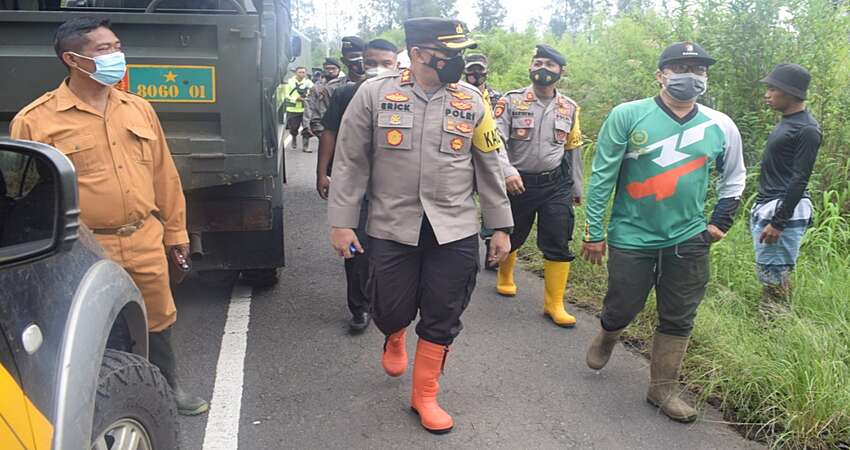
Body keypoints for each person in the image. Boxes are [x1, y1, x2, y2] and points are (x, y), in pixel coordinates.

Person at [10, 17, 208, 415]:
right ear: (73, 59)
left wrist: (176, 234)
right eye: (104, 49)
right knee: (89, 327)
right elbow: (22, 195)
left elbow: (164, 177)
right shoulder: (36, 120)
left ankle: (167, 390)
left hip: (143, 237)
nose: (117, 55)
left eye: (117, 46)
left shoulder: (138, 109)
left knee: (158, 318)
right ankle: (93, 404)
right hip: (82, 246)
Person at [327, 18, 513, 434]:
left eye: (461, 54)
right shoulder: (373, 95)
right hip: (392, 224)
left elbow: (489, 166)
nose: (457, 62)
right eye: (448, 55)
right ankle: (393, 334)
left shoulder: (472, 100)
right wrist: (342, 223)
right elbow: (351, 162)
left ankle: (425, 394)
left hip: (454, 227)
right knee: (390, 306)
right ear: (417, 54)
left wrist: (499, 227)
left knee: (444, 312)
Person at [581, 42, 746, 423]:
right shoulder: (628, 115)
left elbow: (734, 176)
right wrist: (593, 230)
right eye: (680, 66)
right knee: (624, 303)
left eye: (699, 69)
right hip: (631, 234)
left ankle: (662, 389)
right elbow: (603, 176)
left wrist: (720, 223)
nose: (691, 75)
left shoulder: (719, 124)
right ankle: (608, 333)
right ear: (660, 74)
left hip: (688, 237)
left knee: (679, 315)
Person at [492, 44, 584, 328]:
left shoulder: (569, 107)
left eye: (550, 64)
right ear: (531, 67)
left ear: (561, 72)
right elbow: (495, 142)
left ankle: (554, 303)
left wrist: (576, 188)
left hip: (555, 183)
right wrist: (507, 172)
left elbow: (573, 149)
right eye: (538, 62)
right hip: (517, 183)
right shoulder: (510, 101)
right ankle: (505, 276)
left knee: (558, 237)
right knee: (514, 235)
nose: (542, 68)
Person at [317, 38, 399, 332]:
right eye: (371, 63)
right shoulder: (347, 94)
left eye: (386, 63)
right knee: (356, 248)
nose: (378, 69)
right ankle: (360, 308)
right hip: (358, 185)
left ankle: (387, 301)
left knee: (392, 248)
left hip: (395, 188)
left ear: (398, 63)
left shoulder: (412, 97)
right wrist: (322, 172)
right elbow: (330, 133)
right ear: (361, 64)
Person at [752, 63, 821, 313]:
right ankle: (773, 323)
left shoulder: (807, 129)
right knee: (770, 271)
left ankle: (774, 325)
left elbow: (800, 178)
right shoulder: (789, 122)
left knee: (775, 275)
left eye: (773, 89)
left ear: (791, 92)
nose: (767, 94)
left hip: (783, 207)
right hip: (772, 203)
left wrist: (779, 221)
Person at [464, 53, 504, 271]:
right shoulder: (458, 94)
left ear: (486, 71)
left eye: (479, 70)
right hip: (465, 154)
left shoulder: (498, 98)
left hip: (491, 151)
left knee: (492, 197)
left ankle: (492, 245)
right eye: (471, 70)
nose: (475, 75)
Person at [306, 36, 367, 139]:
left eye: (363, 56)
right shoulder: (332, 88)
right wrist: (333, 143)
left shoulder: (379, 86)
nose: (360, 60)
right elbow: (318, 122)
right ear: (344, 61)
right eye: (354, 56)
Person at [278, 66, 314, 152]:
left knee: (306, 127)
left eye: (303, 72)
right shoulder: (290, 83)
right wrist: (296, 98)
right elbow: (286, 95)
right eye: (300, 72)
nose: (302, 74)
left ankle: (306, 146)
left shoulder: (309, 83)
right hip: (293, 109)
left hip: (305, 109)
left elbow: (313, 92)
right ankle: (293, 137)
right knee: (294, 128)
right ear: (296, 73)